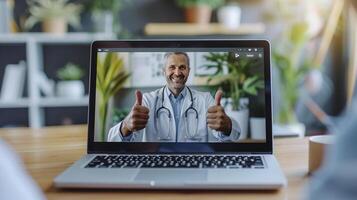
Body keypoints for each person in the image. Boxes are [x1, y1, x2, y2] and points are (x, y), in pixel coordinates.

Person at [107, 52, 241, 142]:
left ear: (189, 71)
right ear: (163, 71)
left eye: (182, 67)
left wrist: (226, 125)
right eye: (172, 67)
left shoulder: (205, 99)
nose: (177, 73)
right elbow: (111, 139)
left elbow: (235, 134)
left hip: (195, 163)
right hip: (156, 164)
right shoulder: (147, 100)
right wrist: (126, 126)